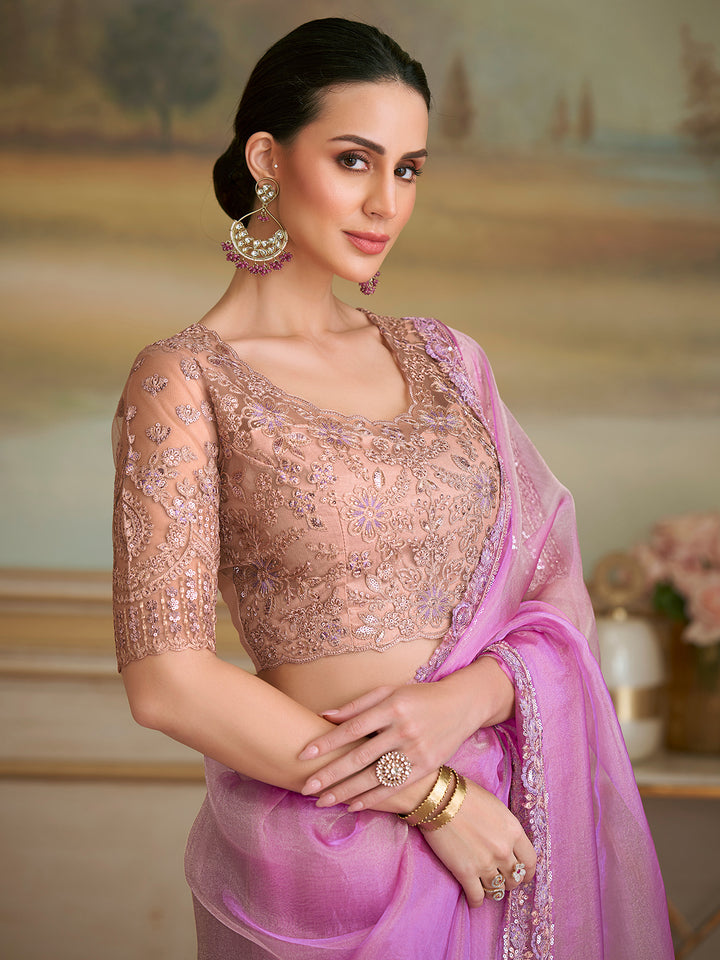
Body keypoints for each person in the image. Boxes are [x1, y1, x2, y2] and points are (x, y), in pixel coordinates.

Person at [112, 18, 674, 960]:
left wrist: (466, 706)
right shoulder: (183, 382)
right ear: (266, 158)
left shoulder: (450, 360)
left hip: (511, 837)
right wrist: (426, 791)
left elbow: (553, 591)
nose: (385, 202)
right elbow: (167, 680)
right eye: (354, 160)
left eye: (408, 169)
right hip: (332, 869)